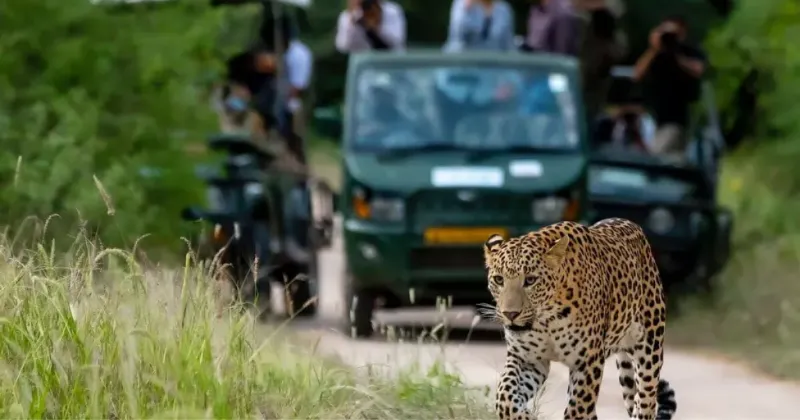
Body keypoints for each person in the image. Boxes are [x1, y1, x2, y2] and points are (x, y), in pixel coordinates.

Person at [633, 15, 707, 163]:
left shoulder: (689, 52)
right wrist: (654, 49)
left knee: (655, 156)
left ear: (683, 33)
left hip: (675, 118)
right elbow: (637, 74)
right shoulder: (655, 55)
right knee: (670, 160)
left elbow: (699, 70)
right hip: (652, 117)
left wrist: (677, 55)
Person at [335, 0, 406, 53]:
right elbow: (343, 46)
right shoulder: (347, 16)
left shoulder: (391, 11)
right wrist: (351, 24)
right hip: (364, 64)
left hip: (391, 62)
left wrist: (377, 27)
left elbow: (396, 41)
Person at [444, 0, 515, 52]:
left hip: (495, 66)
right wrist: (467, 11)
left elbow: (509, 45)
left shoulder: (504, 9)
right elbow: (457, 39)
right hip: (465, 64)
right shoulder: (461, 5)